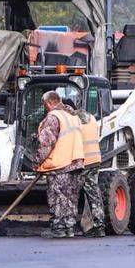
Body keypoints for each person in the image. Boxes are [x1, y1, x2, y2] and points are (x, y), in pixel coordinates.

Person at [34, 90, 85, 238]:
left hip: (60, 164)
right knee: (70, 196)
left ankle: (58, 228)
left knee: (58, 196)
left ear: (49, 103)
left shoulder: (53, 117)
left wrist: (37, 162)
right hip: (75, 162)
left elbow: (46, 143)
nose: (45, 108)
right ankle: (69, 228)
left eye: (44, 105)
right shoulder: (72, 116)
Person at [75, 109, 106, 237]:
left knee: (71, 193)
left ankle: (70, 224)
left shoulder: (75, 121)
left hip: (83, 162)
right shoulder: (92, 118)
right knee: (93, 193)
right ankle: (99, 226)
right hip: (95, 160)